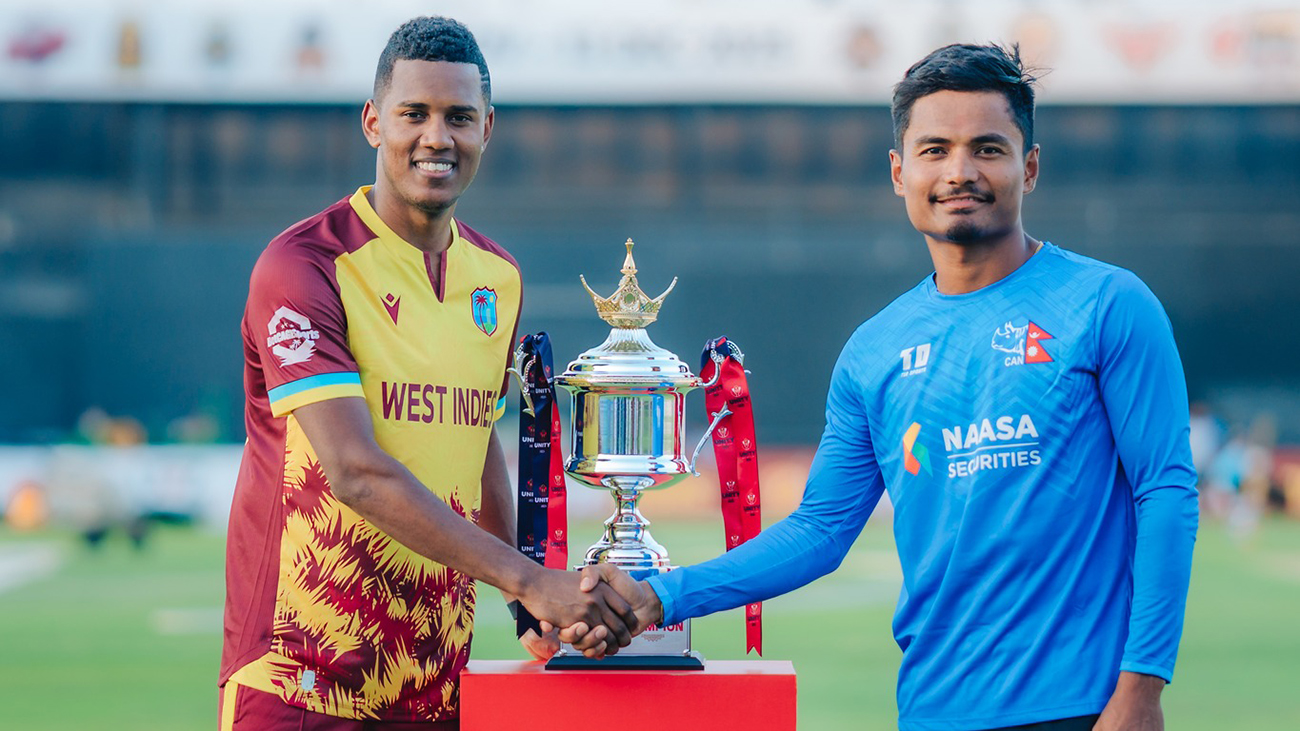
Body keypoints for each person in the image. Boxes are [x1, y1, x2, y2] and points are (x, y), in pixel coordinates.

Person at [567, 44, 1200, 731]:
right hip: (932, 707)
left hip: (1083, 708)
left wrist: (1142, 688)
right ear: (900, 172)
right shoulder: (874, 350)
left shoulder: (1108, 305)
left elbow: (1165, 491)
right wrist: (660, 596)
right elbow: (820, 529)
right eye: (935, 150)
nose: (960, 171)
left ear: (1030, 166)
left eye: (988, 149)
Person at [219, 16, 634, 730]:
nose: (436, 137)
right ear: (373, 122)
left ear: (487, 129)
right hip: (299, 682)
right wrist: (531, 578)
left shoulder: (497, 277)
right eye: (414, 113)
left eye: (459, 117)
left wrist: (524, 603)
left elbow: (479, 445)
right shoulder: (305, 265)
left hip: (436, 683)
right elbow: (354, 471)